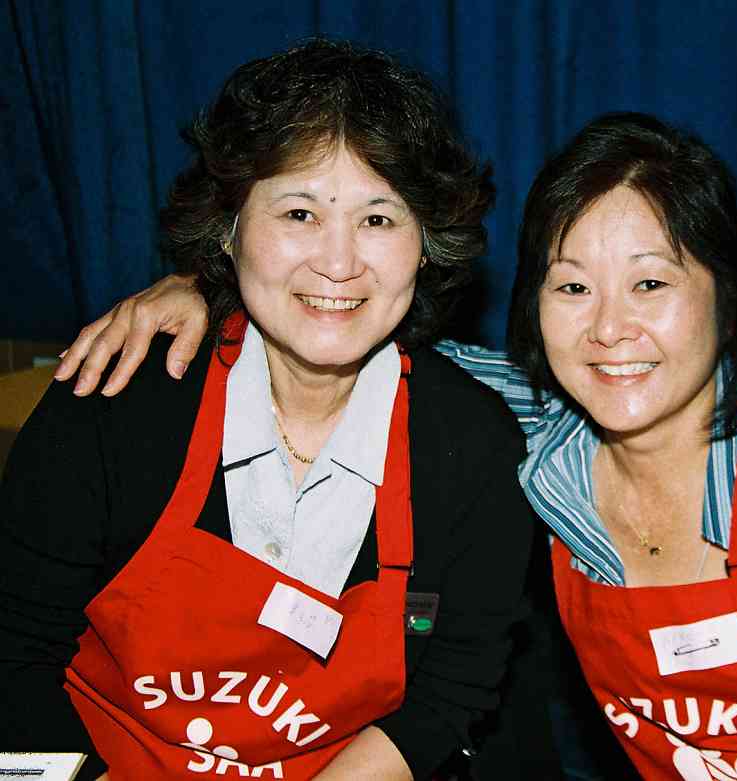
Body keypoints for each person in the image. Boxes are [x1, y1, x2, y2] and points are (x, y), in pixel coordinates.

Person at [51, 113, 737, 780]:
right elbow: (341, 315)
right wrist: (201, 286)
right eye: (572, 284)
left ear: (728, 295)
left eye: (653, 284)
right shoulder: (526, 432)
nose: (608, 327)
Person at [0, 40, 541, 781]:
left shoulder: (473, 445)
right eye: (299, 212)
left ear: (427, 245)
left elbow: (450, 691)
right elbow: (12, 657)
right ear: (227, 230)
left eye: (379, 219)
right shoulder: (119, 396)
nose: (339, 261)